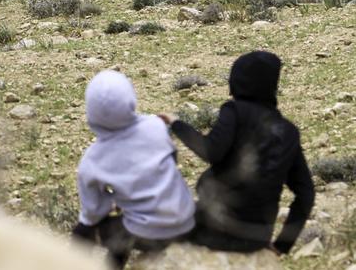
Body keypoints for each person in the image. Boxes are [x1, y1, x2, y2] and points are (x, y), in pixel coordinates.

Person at [164, 51, 314, 256]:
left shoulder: (235, 112)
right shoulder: (288, 131)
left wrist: (176, 123)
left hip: (213, 228)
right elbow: (306, 194)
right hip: (256, 238)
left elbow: (210, 151)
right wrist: (282, 246)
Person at [72, 70, 195, 269]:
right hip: (185, 223)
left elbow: (93, 213)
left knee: (93, 229)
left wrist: (119, 199)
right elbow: (172, 159)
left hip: (147, 235)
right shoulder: (155, 126)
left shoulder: (93, 160)